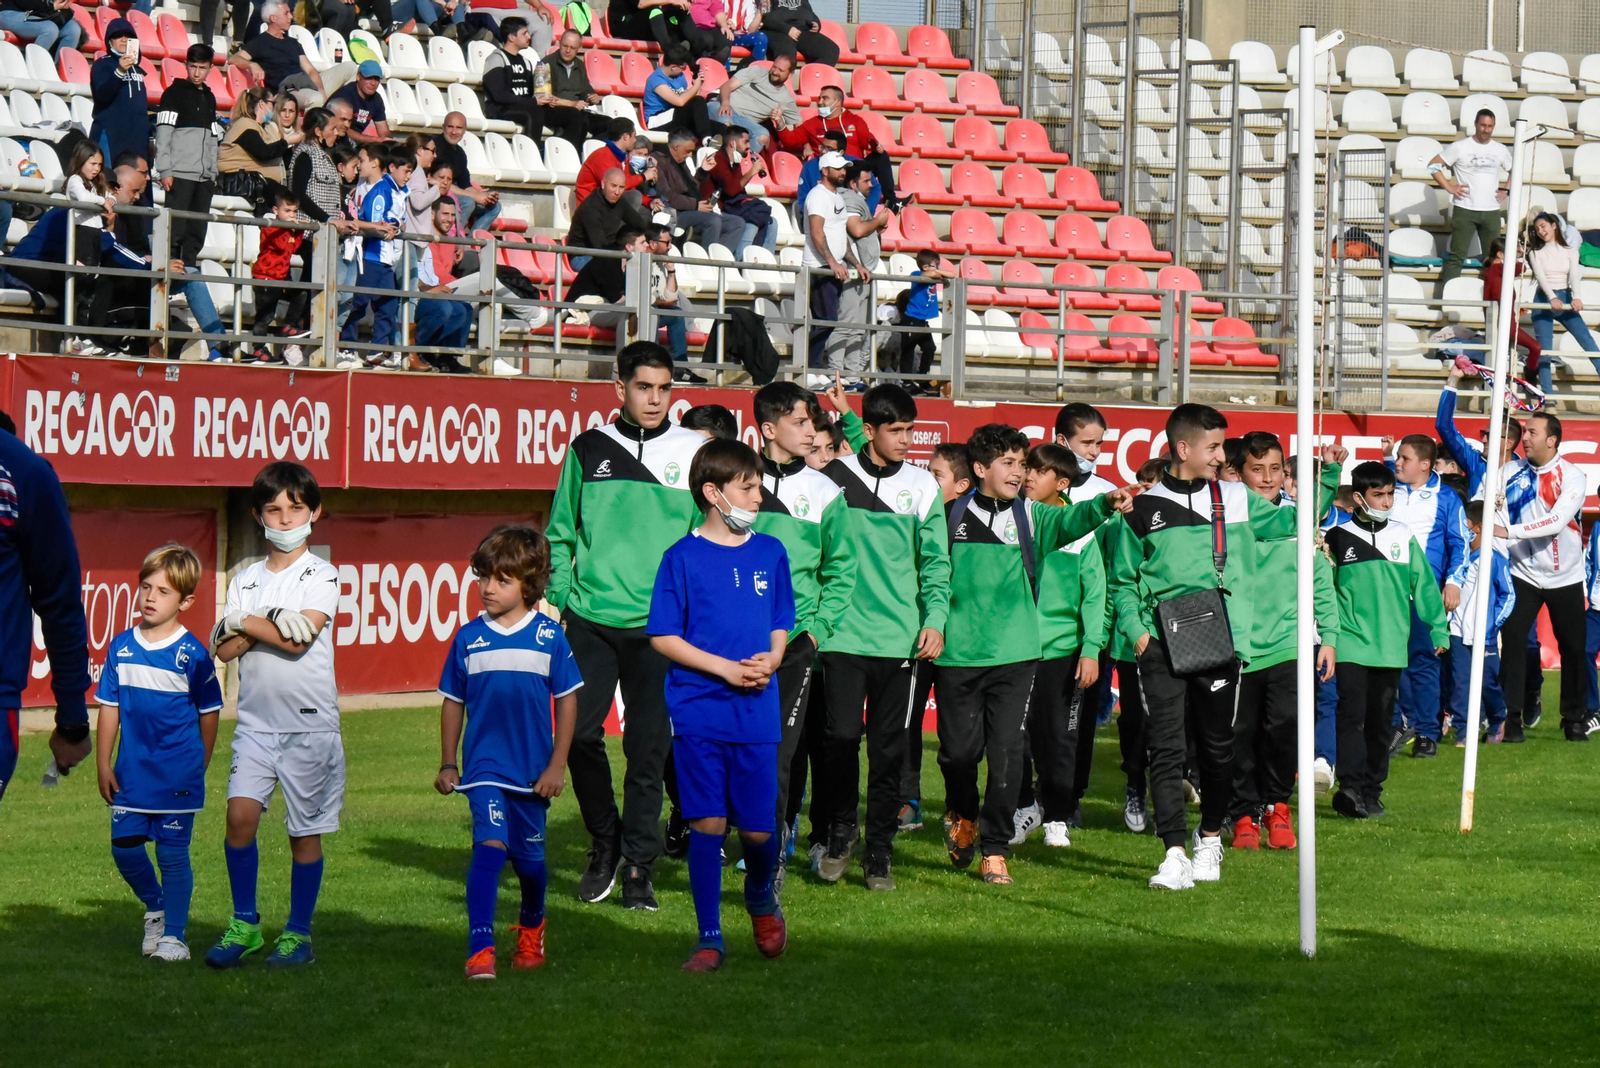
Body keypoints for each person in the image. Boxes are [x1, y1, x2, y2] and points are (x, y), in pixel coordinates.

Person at [1111, 404, 1341, 889]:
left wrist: (1327, 477)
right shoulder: (1142, 507)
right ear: (1183, 448)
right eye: (1214, 447)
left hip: (1220, 640)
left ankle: (1210, 839)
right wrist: (1137, 632)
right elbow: (1122, 581)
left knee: (1219, 750)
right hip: (1160, 644)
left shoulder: (1236, 499)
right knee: (1166, 749)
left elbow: (1295, 522)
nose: (1222, 456)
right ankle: (1173, 851)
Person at [545, 343, 707, 910]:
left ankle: (639, 865)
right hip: (589, 619)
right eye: (644, 388)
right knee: (579, 736)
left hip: (661, 630)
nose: (655, 399)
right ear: (620, 389)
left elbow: (702, 543)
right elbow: (560, 533)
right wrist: (561, 601)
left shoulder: (694, 453)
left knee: (647, 750)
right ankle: (605, 840)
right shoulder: (588, 449)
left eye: (664, 389)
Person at [937, 425, 1123, 885]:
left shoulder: (1032, 517)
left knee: (1006, 756)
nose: (1018, 472)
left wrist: (1103, 505)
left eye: (1022, 464)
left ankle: (994, 847)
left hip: (1018, 656)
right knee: (958, 755)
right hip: (957, 656)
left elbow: (1071, 523)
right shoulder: (946, 517)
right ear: (980, 469)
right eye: (1008, 463)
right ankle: (962, 813)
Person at [647, 437, 795, 970]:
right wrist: (725, 668)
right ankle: (709, 938)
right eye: (748, 486)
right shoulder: (680, 558)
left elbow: (782, 618)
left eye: (759, 485)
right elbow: (663, 636)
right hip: (698, 709)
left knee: (758, 830)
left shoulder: (771, 551)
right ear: (713, 492)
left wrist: (774, 659)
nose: (759, 496)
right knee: (708, 823)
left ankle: (759, 894)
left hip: (757, 710)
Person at [812, 384, 950, 890]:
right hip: (842, 636)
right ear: (867, 431)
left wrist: (934, 618)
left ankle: (880, 854)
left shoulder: (923, 487)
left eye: (911, 430)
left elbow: (937, 562)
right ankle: (841, 831)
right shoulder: (831, 479)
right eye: (896, 431)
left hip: (903, 642)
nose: (907, 440)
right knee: (841, 740)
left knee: (890, 751)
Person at [205, 462, 342, 969]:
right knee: (238, 818)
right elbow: (225, 649)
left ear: (315, 512)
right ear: (258, 516)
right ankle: (245, 924)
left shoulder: (323, 574)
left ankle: (297, 934)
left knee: (302, 833)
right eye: (274, 511)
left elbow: (297, 638)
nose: (285, 520)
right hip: (256, 724)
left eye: (295, 510)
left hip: (310, 725)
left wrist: (247, 625)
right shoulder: (246, 579)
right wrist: (257, 622)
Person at [435, 525, 580, 980]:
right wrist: (448, 761)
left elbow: (568, 700)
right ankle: (481, 948)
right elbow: (452, 702)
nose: (488, 588)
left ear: (529, 584)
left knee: (532, 866)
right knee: (490, 849)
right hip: (483, 769)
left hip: (533, 772)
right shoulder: (467, 639)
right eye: (483, 578)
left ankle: (533, 924)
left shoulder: (549, 638)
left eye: (501, 580)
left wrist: (557, 765)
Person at [747, 382, 855, 887]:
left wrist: (813, 634)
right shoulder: (733, 483)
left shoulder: (827, 492)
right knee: (726, 749)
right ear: (769, 429)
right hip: (728, 643)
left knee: (777, 753)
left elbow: (841, 573)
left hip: (793, 647)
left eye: (813, 422)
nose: (812, 431)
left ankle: (769, 860)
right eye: (800, 422)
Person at [94, 545, 223, 963]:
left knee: (171, 853)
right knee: (125, 849)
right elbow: (109, 710)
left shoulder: (193, 655)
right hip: (131, 774)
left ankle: (175, 938)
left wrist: (197, 764)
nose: (150, 597)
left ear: (185, 601)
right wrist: (102, 763)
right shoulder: (120, 648)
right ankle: (156, 907)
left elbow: (209, 713)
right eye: (146, 587)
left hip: (176, 776)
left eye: (163, 591)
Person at [1225, 432, 1339, 850]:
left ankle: (1277, 805)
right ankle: (1242, 812)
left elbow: (1320, 582)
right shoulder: (1227, 516)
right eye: (1258, 469)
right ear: (1239, 473)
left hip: (1289, 644)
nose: (1268, 478)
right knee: (1240, 734)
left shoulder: (1299, 520)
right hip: (1236, 646)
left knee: (1284, 730)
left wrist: (1329, 636)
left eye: (1276, 469)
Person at [1326, 462, 1450, 819]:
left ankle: (1372, 789)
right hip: (1350, 643)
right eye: (1378, 495)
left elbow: (1424, 586)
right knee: (1351, 717)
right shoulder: (1337, 538)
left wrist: (1438, 627)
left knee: (1381, 723)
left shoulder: (1403, 535)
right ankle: (1349, 788)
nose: (1385, 501)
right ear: (1359, 498)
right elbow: (1325, 590)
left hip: (1391, 647)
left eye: (1390, 494)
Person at [0, 429, 90, 810]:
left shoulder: (22, 473)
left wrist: (72, 718)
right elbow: (61, 602)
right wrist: (72, 722)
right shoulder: (25, 470)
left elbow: (59, 602)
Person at [1493, 412, 1594, 742]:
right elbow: (1488, 507)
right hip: (1522, 572)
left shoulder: (1573, 476)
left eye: (1533, 432)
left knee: (1574, 649)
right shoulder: (1508, 472)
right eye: (1525, 432)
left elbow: (1555, 521)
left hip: (1565, 575)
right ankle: (1512, 718)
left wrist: (1508, 531)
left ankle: (1574, 718)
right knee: (1514, 642)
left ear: (1552, 440)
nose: (1526, 438)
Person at [1382, 434, 1468, 758]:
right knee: (1388, 661)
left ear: (1425, 465)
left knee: (1423, 662)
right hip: (1386, 589)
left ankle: (1427, 734)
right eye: (1397, 457)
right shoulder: (1387, 490)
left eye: (1403, 458)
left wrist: (1454, 582)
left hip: (1425, 592)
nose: (1397, 463)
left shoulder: (1446, 499)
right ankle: (1399, 723)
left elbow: (1460, 544)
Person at [1447, 500, 1515, 746]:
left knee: (1488, 683)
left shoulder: (1494, 559)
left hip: (1483, 636)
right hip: (1457, 633)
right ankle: (1464, 730)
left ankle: (1498, 718)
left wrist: (1492, 625)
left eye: (1464, 525)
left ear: (1477, 527)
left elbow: (1509, 595)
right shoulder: (1456, 558)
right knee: (1460, 683)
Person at [339, 143, 411, 369]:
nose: (409, 177)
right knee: (358, 303)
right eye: (406, 171)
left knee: (388, 306)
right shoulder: (381, 191)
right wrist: (385, 228)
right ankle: (346, 348)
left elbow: (397, 222)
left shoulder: (397, 191)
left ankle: (377, 350)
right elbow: (371, 223)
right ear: (392, 167)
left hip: (387, 259)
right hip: (371, 256)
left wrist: (396, 226)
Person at [155, 45, 221, 280]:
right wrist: (165, 169)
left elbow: (213, 137)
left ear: (211, 68)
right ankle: (169, 278)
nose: (196, 73)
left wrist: (213, 172)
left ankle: (189, 274)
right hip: (180, 174)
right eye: (193, 66)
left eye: (202, 68)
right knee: (175, 230)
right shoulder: (173, 94)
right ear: (186, 65)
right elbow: (163, 134)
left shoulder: (210, 97)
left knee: (196, 232)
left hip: (204, 178)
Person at [779, 85, 901, 213]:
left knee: (881, 156)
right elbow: (790, 140)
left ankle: (890, 200)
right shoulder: (812, 124)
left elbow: (867, 141)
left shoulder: (854, 120)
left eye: (824, 98)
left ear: (837, 102)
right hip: (829, 169)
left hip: (853, 167)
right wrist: (780, 123)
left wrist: (875, 145)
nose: (820, 102)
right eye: (819, 98)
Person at [821, 161, 890, 384]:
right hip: (852, 272)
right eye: (866, 181)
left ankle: (851, 375)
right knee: (846, 325)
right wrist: (877, 221)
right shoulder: (850, 199)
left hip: (862, 272)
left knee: (858, 328)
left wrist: (875, 227)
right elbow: (856, 228)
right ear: (853, 183)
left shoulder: (854, 199)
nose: (871, 185)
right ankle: (836, 373)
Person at [1429, 108, 1511, 295]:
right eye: (1483, 125)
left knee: (1496, 258)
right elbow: (1433, 166)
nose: (1486, 130)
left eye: (1490, 126)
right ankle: (1448, 300)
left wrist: (1506, 189)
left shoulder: (1499, 149)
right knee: (1457, 256)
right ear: (1475, 124)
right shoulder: (1460, 146)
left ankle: (1493, 299)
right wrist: (1450, 187)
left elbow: (1514, 169)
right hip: (1465, 208)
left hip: (1491, 210)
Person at [803, 151, 866, 373]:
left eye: (844, 168)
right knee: (826, 320)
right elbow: (817, 232)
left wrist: (855, 263)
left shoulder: (837, 196)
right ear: (825, 170)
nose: (843, 172)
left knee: (828, 321)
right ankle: (810, 368)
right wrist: (831, 262)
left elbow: (841, 236)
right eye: (838, 168)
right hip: (820, 268)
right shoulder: (818, 195)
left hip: (834, 267)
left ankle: (814, 368)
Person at [1525, 211, 1600, 383]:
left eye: (1543, 226)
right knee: (1545, 352)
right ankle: (1548, 398)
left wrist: (1577, 297)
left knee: (1588, 341)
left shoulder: (1570, 250)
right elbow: (1541, 278)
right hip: (1544, 299)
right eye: (1537, 229)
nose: (1541, 231)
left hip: (1565, 296)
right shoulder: (1535, 253)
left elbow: (1574, 275)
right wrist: (1551, 297)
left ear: (1554, 226)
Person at [650, 129, 743, 249]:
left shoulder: (680, 160)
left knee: (736, 223)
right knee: (712, 220)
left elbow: (691, 187)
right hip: (676, 212)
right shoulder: (658, 160)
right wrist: (696, 205)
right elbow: (667, 195)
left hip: (692, 208)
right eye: (688, 151)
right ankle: (707, 264)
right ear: (676, 146)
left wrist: (702, 171)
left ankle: (719, 260)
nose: (690, 155)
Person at [230, 1, 330, 107]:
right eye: (286, 13)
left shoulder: (293, 43)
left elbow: (310, 70)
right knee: (316, 99)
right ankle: (314, 121)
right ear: (273, 18)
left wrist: (320, 89)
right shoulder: (260, 42)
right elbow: (234, 58)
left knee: (349, 68)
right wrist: (252, 65)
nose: (291, 17)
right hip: (288, 91)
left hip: (306, 82)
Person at [247, 190, 308, 362]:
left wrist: (299, 231)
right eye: (287, 211)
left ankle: (290, 325)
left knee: (300, 293)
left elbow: (292, 248)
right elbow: (281, 245)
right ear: (275, 210)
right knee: (265, 315)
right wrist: (290, 227)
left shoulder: (288, 229)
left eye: (294, 211)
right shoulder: (270, 226)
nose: (291, 215)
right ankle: (258, 349)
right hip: (265, 277)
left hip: (281, 278)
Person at [218, 87, 301, 210]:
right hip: (242, 185)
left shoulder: (260, 127)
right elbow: (264, 152)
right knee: (286, 203)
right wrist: (287, 141)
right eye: (272, 103)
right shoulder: (245, 125)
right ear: (262, 104)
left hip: (260, 187)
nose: (274, 108)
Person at [698, 126, 774, 256]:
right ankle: (742, 261)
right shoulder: (718, 159)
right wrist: (752, 171)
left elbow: (738, 190)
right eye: (746, 142)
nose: (749, 146)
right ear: (733, 143)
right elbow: (731, 190)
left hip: (731, 205)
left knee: (772, 222)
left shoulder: (735, 161)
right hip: (716, 208)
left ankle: (764, 261)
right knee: (753, 220)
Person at [89, 19, 149, 168]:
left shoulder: (137, 68)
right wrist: (120, 71)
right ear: (110, 40)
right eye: (118, 36)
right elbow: (102, 96)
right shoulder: (102, 64)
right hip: (111, 133)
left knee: (137, 185)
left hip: (137, 136)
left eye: (128, 36)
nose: (123, 39)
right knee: (111, 183)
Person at [481, 17, 547, 149]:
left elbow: (530, 93)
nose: (529, 36)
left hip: (525, 106)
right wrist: (533, 102)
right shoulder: (496, 59)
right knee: (533, 112)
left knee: (569, 115)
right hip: (501, 110)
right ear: (511, 37)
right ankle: (530, 153)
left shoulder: (526, 62)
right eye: (524, 33)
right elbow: (499, 95)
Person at [717, 52, 801, 152]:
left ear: (790, 74)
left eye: (780, 70)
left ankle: (744, 162)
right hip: (722, 107)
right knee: (726, 122)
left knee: (763, 135)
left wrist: (807, 146)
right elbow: (727, 86)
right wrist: (725, 103)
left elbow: (800, 126)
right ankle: (720, 154)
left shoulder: (786, 99)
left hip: (744, 122)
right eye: (774, 67)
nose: (774, 72)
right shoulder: (757, 71)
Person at [567, 168, 649, 269]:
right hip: (582, 255)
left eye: (621, 187)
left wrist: (653, 240)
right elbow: (600, 246)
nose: (617, 192)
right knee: (617, 268)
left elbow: (639, 223)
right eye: (613, 186)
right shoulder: (590, 208)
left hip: (606, 252)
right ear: (603, 184)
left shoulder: (619, 202)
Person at [643, 46, 726, 142]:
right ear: (673, 67)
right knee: (699, 101)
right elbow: (680, 101)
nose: (684, 70)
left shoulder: (679, 76)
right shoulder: (656, 79)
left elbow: (690, 100)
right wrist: (695, 87)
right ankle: (706, 140)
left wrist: (698, 85)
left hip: (676, 115)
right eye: (683, 67)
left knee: (721, 129)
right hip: (658, 119)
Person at [435, 112, 502, 231]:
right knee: (468, 202)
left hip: (456, 192)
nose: (454, 132)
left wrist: (485, 196)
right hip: (439, 194)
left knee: (495, 207)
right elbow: (443, 184)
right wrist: (474, 195)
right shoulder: (436, 147)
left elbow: (465, 185)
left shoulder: (460, 153)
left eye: (459, 128)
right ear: (443, 127)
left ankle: (473, 241)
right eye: (450, 127)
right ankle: (455, 239)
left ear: (465, 130)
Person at [575, 117, 655, 210]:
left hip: (607, 205)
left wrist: (649, 202)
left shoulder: (622, 158)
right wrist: (644, 176)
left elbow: (627, 187)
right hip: (591, 209)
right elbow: (614, 186)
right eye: (634, 136)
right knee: (634, 197)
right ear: (625, 137)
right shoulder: (602, 156)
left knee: (645, 212)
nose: (635, 140)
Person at [544, 31, 603, 150]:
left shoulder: (579, 64)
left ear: (579, 48)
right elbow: (544, 97)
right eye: (565, 46)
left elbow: (585, 91)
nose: (567, 51)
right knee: (578, 118)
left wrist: (591, 97)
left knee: (610, 124)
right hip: (552, 111)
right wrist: (572, 104)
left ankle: (589, 153)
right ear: (559, 44)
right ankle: (568, 155)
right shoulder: (546, 63)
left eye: (572, 48)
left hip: (576, 111)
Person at [896, 249, 943, 391]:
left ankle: (922, 377)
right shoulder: (916, 275)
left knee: (930, 348)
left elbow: (951, 275)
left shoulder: (935, 275)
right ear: (925, 267)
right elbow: (926, 275)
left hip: (923, 320)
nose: (938, 269)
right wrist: (935, 273)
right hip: (911, 318)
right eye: (936, 265)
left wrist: (937, 272)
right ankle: (906, 382)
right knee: (908, 350)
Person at [645, 0, 729, 67]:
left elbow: (717, 8)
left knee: (725, 38)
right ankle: (674, 54)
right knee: (705, 38)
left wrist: (724, 25)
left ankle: (712, 64)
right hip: (655, 19)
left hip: (682, 19)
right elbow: (642, 3)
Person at [328, 61, 391, 145]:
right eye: (369, 78)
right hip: (338, 138)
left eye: (376, 79)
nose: (373, 83)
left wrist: (388, 141)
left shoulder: (377, 99)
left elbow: (383, 130)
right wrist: (372, 139)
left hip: (358, 141)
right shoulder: (345, 95)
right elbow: (340, 127)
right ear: (358, 77)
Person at [693, 0, 765, 68]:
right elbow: (715, 13)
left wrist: (759, 12)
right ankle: (725, 72)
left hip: (741, 37)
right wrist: (726, 24)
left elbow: (751, 30)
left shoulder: (749, 2)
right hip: (721, 32)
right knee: (726, 36)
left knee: (761, 38)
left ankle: (756, 71)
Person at [761, 0, 837, 66]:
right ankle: (782, 81)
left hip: (801, 31)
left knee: (831, 50)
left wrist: (816, 23)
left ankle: (811, 79)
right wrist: (787, 29)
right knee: (787, 51)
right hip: (777, 31)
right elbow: (765, 18)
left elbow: (809, 12)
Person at [0, 0, 85, 55]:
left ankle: (58, 72)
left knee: (73, 29)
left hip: (39, 12)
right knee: (49, 29)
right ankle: (31, 69)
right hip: (10, 12)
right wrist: (51, 6)